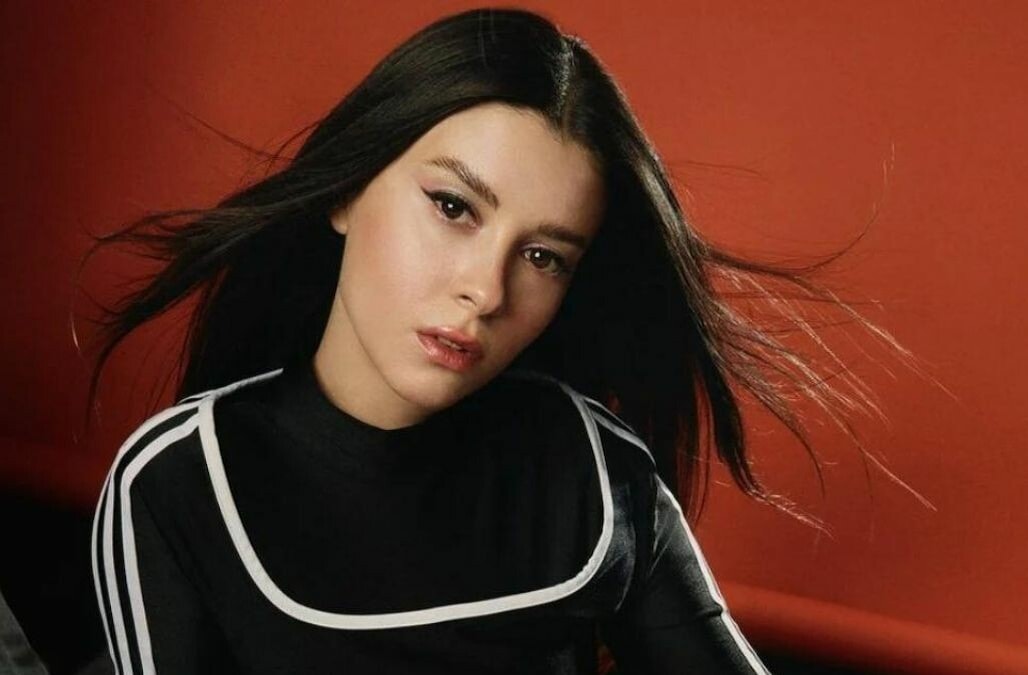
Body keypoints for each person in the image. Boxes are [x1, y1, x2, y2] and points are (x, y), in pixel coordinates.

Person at [79, 7, 922, 674]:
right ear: (346, 191)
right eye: (453, 207)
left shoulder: (590, 469)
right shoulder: (181, 482)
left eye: (544, 256)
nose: (485, 292)